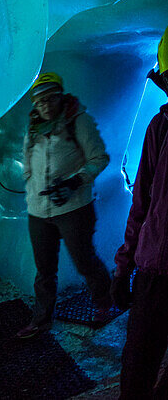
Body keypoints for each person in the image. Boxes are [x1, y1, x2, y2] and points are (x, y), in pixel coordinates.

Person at [15, 71, 113, 338]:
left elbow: (99, 158)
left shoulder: (77, 121)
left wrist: (74, 182)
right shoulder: (34, 126)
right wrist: (32, 185)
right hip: (38, 211)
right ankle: (41, 320)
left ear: (60, 96)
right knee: (44, 271)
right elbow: (27, 160)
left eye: (50, 98)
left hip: (74, 209)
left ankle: (104, 303)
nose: (45, 105)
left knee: (84, 262)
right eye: (40, 101)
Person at [112, 30, 168, 399]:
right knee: (138, 374)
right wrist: (124, 266)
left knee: (139, 370)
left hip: (155, 270)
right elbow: (143, 204)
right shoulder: (160, 127)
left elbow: (142, 205)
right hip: (155, 271)